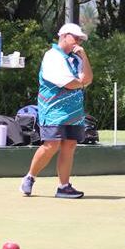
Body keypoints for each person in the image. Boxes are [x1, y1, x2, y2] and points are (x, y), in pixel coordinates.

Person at [19, 22, 93, 199]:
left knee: (70, 145)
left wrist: (84, 57)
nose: (78, 42)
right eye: (75, 38)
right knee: (51, 145)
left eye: (81, 40)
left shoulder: (77, 58)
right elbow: (69, 83)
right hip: (53, 110)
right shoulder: (52, 56)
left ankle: (64, 187)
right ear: (64, 36)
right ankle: (29, 177)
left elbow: (88, 79)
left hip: (74, 112)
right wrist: (81, 81)